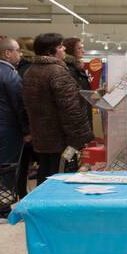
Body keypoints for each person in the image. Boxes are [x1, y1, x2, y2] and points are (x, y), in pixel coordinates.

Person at [22, 33, 92, 184]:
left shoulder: (30, 71)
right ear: (50, 51)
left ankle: (41, 206)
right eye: (60, 46)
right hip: (60, 137)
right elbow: (71, 109)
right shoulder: (57, 72)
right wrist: (79, 139)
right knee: (60, 178)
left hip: (41, 136)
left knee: (45, 174)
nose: (64, 49)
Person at [0, 36, 29, 220]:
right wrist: (26, 130)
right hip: (9, 128)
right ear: (7, 53)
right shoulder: (10, 75)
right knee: (10, 168)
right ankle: (4, 210)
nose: (20, 53)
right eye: (17, 50)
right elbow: (19, 105)